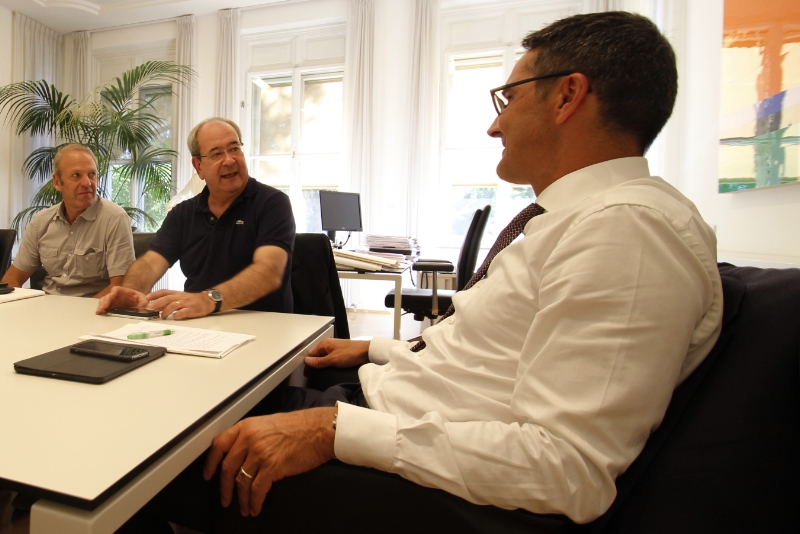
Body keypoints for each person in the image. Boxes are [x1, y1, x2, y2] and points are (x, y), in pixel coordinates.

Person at [122, 11, 723, 533]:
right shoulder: (579, 222)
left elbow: (567, 469)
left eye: (508, 98)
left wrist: (331, 431)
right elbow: (490, 357)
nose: (495, 125)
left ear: (568, 96)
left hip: (408, 458)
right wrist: (376, 350)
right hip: (392, 408)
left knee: (139, 468)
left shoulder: (628, 233)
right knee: (175, 417)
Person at [96, 118, 295, 320]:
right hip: (200, 324)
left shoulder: (272, 203)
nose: (229, 160)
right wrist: (131, 291)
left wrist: (208, 300)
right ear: (198, 166)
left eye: (234, 149)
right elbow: (151, 263)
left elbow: (269, 272)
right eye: (216, 154)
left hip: (264, 325)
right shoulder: (183, 213)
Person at [1, 144, 134, 298]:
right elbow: (13, 278)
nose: (87, 183)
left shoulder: (114, 218)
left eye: (92, 174)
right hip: (48, 306)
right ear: (57, 182)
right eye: (76, 175)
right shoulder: (41, 222)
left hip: (94, 307)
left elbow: (120, 286)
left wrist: (80, 310)